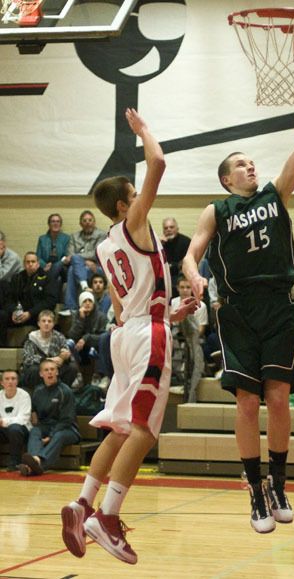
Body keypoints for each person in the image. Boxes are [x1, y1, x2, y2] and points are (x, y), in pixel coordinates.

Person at [183, 69, 294, 535]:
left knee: (280, 398)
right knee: (247, 404)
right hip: (239, 310)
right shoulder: (216, 209)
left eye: (251, 162)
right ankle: (253, 488)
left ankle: (279, 483)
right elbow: (192, 253)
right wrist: (193, 278)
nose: (251, 167)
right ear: (226, 179)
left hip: (280, 307)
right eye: (240, 164)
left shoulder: (275, 194)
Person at [61, 107, 196, 565]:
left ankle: (82, 505)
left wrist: (171, 311)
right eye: (136, 195)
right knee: (143, 430)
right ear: (124, 205)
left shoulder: (103, 245)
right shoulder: (135, 224)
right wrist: (143, 132)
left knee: (119, 429)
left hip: (126, 332)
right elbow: (158, 163)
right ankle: (108, 516)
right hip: (145, 335)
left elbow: (122, 308)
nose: (143, 198)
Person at [18, 359, 80, 476]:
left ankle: (38, 462)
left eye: (52, 369)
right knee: (35, 431)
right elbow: (35, 411)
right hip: (45, 426)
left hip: (68, 429)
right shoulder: (38, 391)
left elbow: (67, 420)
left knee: (58, 435)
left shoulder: (65, 391)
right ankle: (34, 462)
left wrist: (50, 436)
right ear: (41, 374)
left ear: (57, 372)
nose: (50, 372)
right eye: (46, 370)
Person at [21, 310, 78, 392]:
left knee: (72, 367)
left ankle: (61, 392)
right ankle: (39, 392)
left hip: (54, 368)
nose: (46, 324)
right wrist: (48, 361)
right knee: (33, 370)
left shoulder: (59, 336)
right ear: (39, 323)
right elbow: (28, 358)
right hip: (38, 368)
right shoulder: (31, 337)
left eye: (49, 321)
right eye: (43, 321)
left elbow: (67, 354)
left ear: (53, 324)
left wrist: (63, 357)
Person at [171, 275, 208, 402]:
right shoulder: (173, 302)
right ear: (177, 288)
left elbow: (201, 329)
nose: (185, 290)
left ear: (192, 289)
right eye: (182, 287)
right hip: (176, 336)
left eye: (188, 287)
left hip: (193, 337)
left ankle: (190, 384)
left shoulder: (201, 305)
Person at [61, 210, 107, 313]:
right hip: (81, 266)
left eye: (90, 220)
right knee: (73, 267)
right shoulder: (74, 236)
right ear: (80, 223)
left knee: (73, 267)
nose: (87, 222)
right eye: (84, 220)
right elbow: (70, 254)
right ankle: (84, 286)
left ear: (94, 222)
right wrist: (84, 261)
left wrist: (78, 258)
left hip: (96, 267)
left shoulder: (102, 235)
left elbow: (96, 253)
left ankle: (70, 307)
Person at [7, 252, 58, 328]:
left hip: (37, 313)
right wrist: (13, 311)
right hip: (19, 313)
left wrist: (30, 313)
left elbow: (50, 301)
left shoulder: (47, 277)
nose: (30, 264)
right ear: (24, 264)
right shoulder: (17, 278)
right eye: (28, 262)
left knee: (44, 317)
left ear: (38, 264)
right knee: (3, 315)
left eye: (33, 262)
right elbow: (9, 299)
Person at [66, 291, 107, 370]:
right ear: (80, 304)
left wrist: (86, 338)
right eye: (85, 301)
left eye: (90, 301)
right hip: (79, 347)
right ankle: (77, 374)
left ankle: (99, 374)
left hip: (94, 346)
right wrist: (81, 319)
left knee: (95, 348)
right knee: (69, 343)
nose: (88, 303)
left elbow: (103, 338)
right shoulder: (77, 315)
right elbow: (72, 335)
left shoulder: (101, 316)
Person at [0, 370, 32, 471]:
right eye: (7, 379)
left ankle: (15, 462)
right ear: (2, 383)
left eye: (13, 379)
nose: (10, 381)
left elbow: (23, 419)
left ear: (17, 381)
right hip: (5, 430)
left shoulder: (24, 395)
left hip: (22, 430)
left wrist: (3, 421)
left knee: (14, 428)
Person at [36, 213, 70, 289]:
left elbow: (66, 255)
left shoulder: (66, 238)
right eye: (53, 221)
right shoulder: (42, 239)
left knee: (58, 266)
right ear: (49, 224)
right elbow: (38, 256)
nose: (55, 223)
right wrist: (44, 265)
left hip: (61, 265)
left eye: (58, 221)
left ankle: (47, 285)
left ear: (60, 224)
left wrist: (58, 263)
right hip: (46, 265)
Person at [160, 217, 191, 295]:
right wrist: (159, 246)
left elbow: (185, 264)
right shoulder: (160, 244)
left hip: (181, 276)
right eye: (166, 228)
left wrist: (171, 266)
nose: (168, 230)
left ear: (177, 229)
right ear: (163, 231)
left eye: (171, 227)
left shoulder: (186, 241)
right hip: (165, 276)